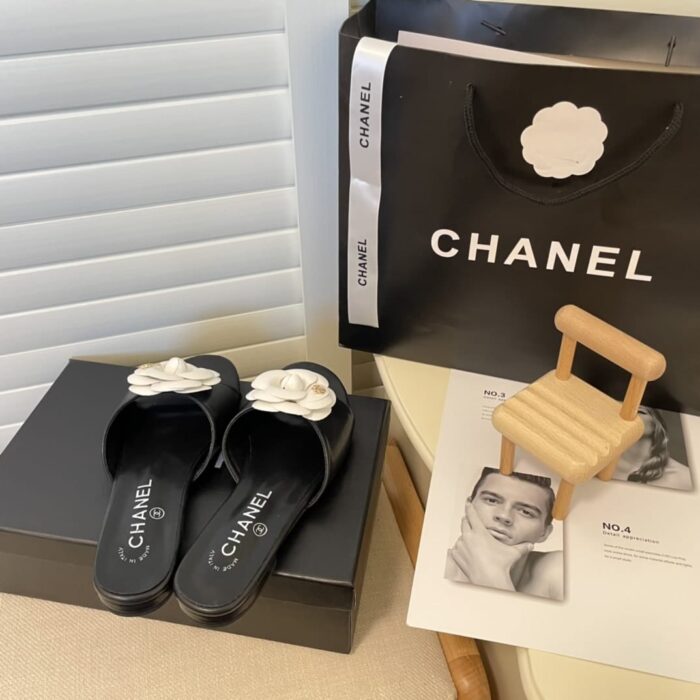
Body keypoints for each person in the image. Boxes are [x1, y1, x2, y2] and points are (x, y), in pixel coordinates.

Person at [445, 467, 563, 600]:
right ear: (468, 506)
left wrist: (492, 576)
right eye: (492, 500)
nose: (504, 516)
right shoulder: (437, 567)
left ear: (544, 533)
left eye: (525, 512)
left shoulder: (559, 569)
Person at [615, 407, 692, 490]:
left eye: (640, 411)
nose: (629, 415)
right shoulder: (607, 467)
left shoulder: (683, 477)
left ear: (656, 423)